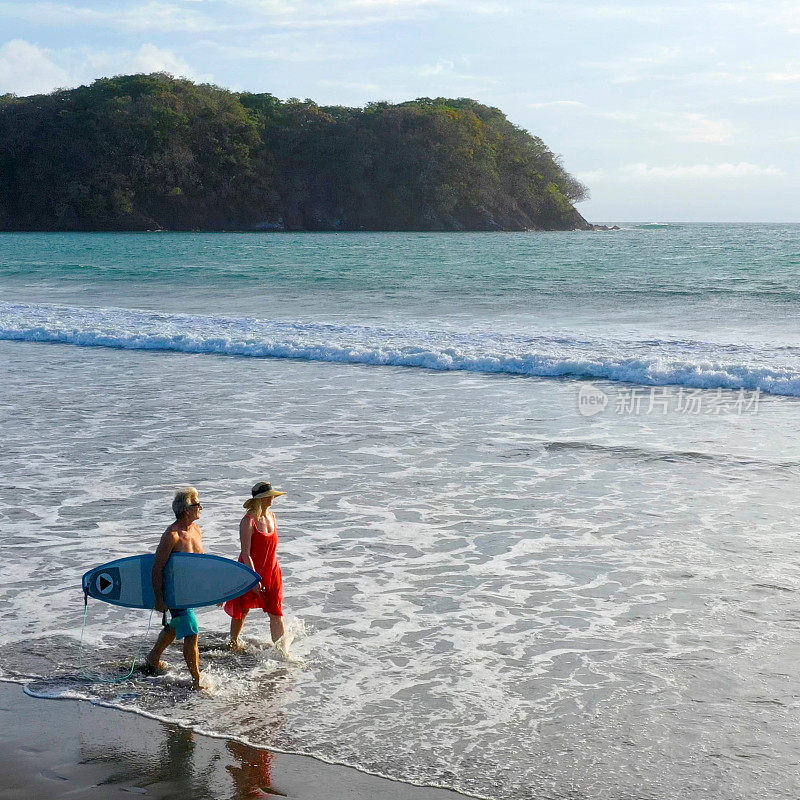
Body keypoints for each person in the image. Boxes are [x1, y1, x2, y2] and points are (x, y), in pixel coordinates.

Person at [145, 487, 207, 690]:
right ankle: (197, 680)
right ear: (187, 510)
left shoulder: (196, 531)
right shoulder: (171, 536)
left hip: (190, 592)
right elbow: (157, 569)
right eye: (197, 504)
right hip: (175, 593)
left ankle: (153, 658)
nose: (201, 507)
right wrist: (159, 598)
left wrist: (213, 591)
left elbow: (201, 565)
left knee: (177, 625)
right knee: (192, 631)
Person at [225, 481, 287, 650]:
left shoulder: (272, 517)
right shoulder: (248, 521)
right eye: (268, 496)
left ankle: (282, 653)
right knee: (243, 609)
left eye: (272, 495)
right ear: (260, 499)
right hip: (249, 571)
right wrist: (254, 579)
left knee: (276, 612)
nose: (272, 498)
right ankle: (233, 643)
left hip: (272, 571)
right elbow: (246, 553)